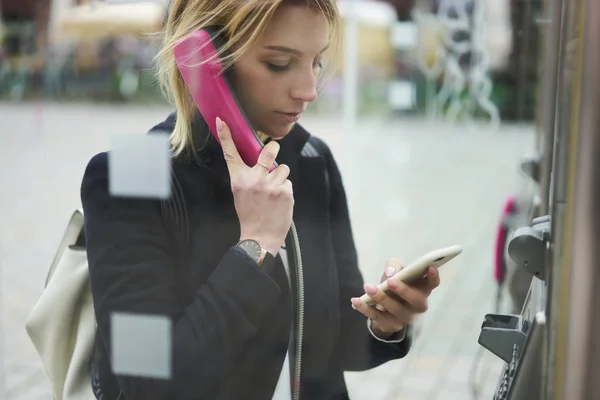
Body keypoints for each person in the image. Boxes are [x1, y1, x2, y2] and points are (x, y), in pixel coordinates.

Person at [80, 0, 441, 399]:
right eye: (280, 64)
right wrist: (254, 246)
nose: (308, 91)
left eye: (317, 63)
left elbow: (331, 344)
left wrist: (384, 322)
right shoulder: (129, 173)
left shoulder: (311, 159)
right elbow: (148, 385)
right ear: (205, 61)